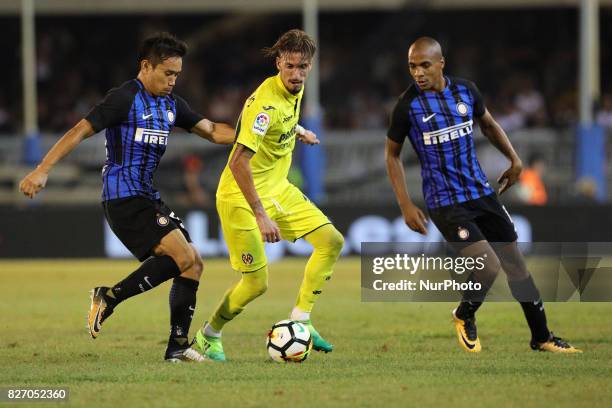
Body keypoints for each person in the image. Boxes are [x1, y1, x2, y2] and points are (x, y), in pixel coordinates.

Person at [18, 32, 235, 362]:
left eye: (177, 74)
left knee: (194, 263)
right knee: (182, 256)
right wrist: (42, 169)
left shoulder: (172, 105)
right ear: (146, 67)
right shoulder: (124, 98)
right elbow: (79, 130)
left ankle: (177, 347)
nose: (173, 80)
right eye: (167, 73)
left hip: (147, 196)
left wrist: (258, 134)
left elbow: (214, 131)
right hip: (123, 197)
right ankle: (109, 298)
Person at [385, 37, 580, 353]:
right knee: (488, 266)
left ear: (441, 63)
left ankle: (542, 337)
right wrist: (405, 203)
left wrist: (515, 160)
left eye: (424, 65)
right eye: (412, 66)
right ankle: (464, 314)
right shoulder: (408, 106)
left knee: (516, 265)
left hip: (480, 193)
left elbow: (488, 125)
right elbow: (391, 155)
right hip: (445, 201)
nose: (418, 73)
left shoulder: (466, 91)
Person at [193, 29, 344, 361]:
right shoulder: (266, 105)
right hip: (240, 199)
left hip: (279, 189)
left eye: (302, 67)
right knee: (256, 284)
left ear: (310, 66)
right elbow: (237, 161)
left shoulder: (295, 90)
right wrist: (260, 214)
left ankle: (301, 319)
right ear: (279, 63)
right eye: (289, 66)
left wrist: (299, 130)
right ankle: (208, 335)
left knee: (331, 241)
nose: (296, 74)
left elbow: (278, 120)